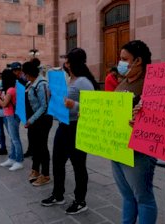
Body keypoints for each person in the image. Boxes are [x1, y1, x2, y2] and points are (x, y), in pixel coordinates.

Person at [41, 48, 99, 214]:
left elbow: (93, 107)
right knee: (58, 161)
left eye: (67, 61)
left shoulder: (84, 82)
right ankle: (58, 194)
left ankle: (80, 200)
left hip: (77, 127)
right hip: (63, 125)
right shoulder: (69, 80)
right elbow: (62, 99)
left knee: (78, 165)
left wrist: (74, 105)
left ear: (74, 63)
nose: (64, 64)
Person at [113, 40, 157, 224]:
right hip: (117, 146)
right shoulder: (122, 83)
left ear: (138, 61)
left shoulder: (152, 84)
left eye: (124, 59)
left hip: (139, 151)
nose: (120, 63)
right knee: (127, 195)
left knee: (143, 197)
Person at [22, 59, 53, 186]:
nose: (24, 76)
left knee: (42, 147)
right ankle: (35, 170)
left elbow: (44, 106)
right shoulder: (30, 83)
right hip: (33, 120)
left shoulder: (42, 84)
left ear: (29, 73)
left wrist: (31, 119)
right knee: (34, 145)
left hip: (42, 120)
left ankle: (45, 175)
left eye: (25, 73)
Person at [0, 69, 24, 171]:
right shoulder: (13, 87)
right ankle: (12, 158)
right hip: (10, 115)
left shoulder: (11, 90)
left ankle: (19, 161)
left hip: (12, 116)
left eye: (2, 78)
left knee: (15, 139)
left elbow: (4, 104)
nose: (1, 80)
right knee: (12, 138)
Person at [9, 61, 33, 158]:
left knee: (31, 131)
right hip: (21, 108)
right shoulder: (15, 80)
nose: (17, 72)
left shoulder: (24, 79)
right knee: (29, 131)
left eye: (19, 70)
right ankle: (30, 149)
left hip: (29, 108)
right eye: (15, 70)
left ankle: (32, 150)